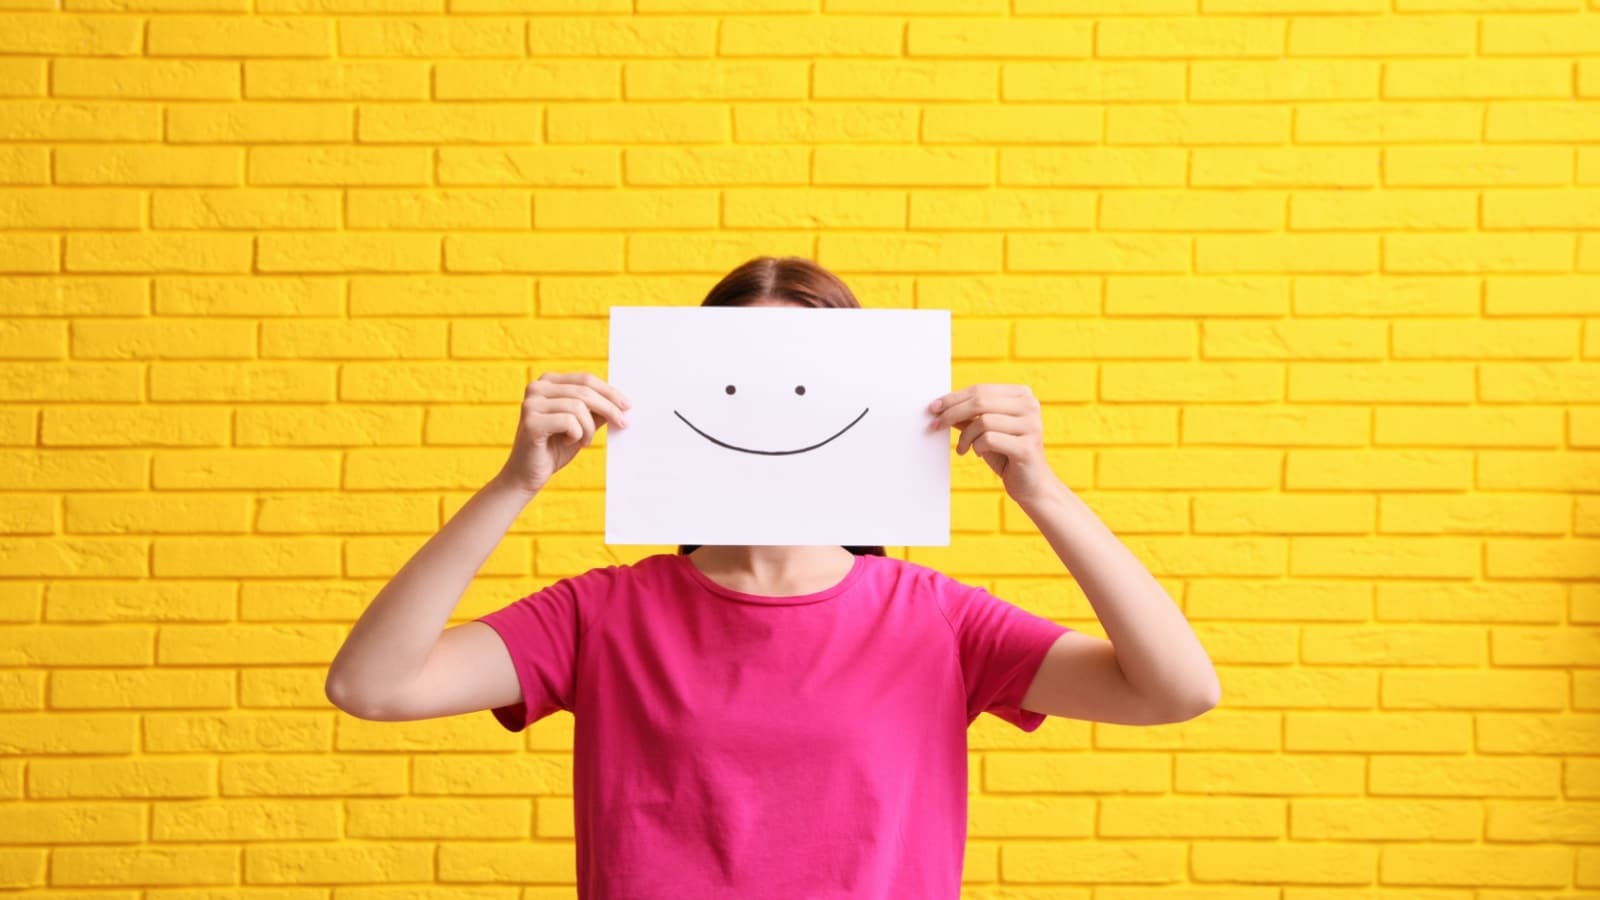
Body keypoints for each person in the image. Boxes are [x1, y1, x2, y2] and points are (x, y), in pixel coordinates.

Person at [325, 256, 1221, 899]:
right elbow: (373, 685)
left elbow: (1176, 690)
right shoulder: (605, 613)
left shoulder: (936, 620)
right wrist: (515, 481)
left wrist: (1043, 490)